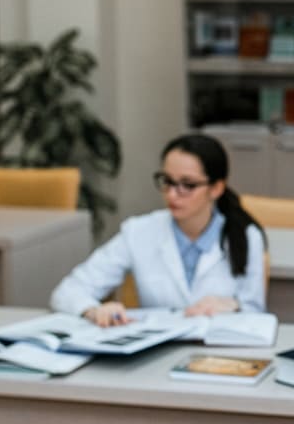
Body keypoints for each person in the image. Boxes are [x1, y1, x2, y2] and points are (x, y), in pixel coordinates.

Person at [50, 133, 266, 326]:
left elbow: (256, 314)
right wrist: (94, 310)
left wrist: (233, 306)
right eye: (167, 181)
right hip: (153, 356)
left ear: (216, 188)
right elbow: (69, 291)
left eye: (187, 185)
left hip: (217, 356)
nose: (172, 194)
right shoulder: (139, 231)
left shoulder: (246, 237)